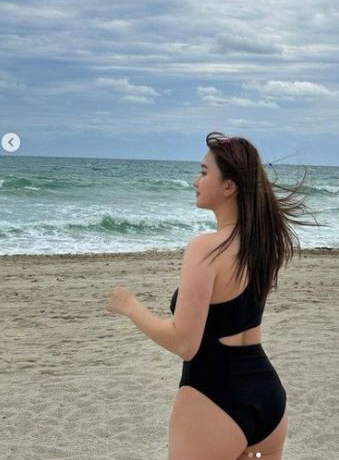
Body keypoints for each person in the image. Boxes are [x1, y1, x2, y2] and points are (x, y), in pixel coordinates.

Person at [105, 131, 317, 460]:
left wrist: (130, 307)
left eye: (204, 172)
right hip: (268, 399)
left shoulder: (206, 248)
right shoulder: (262, 244)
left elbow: (184, 343)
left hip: (215, 396)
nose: (196, 181)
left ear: (229, 186)